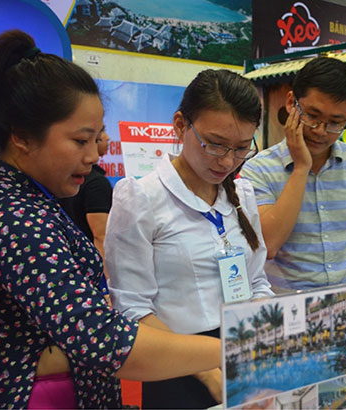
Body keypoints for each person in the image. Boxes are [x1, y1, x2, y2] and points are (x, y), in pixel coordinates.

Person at [0, 30, 221, 409]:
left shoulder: (33, 200)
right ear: (22, 136)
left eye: (97, 138)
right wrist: (227, 348)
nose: (94, 155)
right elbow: (101, 338)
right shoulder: (11, 216)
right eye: (80, 141)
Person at [104, 69, 274, 409]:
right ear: (181, 125)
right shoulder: (141, 197)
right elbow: (133, 308)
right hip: (175, 367)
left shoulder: (242, 193)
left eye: (242, 148)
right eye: (214, 145)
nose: (227, 161)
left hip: (243, 357)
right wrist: (208, 370)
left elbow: (256, 282)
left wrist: (265, 347)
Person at [239, 57, 346, 292]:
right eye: (312, 116)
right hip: (287, 310)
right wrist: (301, 168)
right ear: (291, 103)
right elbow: (270, 244)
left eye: (335, 122)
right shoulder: (258, 170)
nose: (320, 131)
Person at [59, 131, 112, 265]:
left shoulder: (63, 179)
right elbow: (101, 237)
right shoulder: (96, 183)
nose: (107, 138)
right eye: (99, 136)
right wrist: (105, 279)